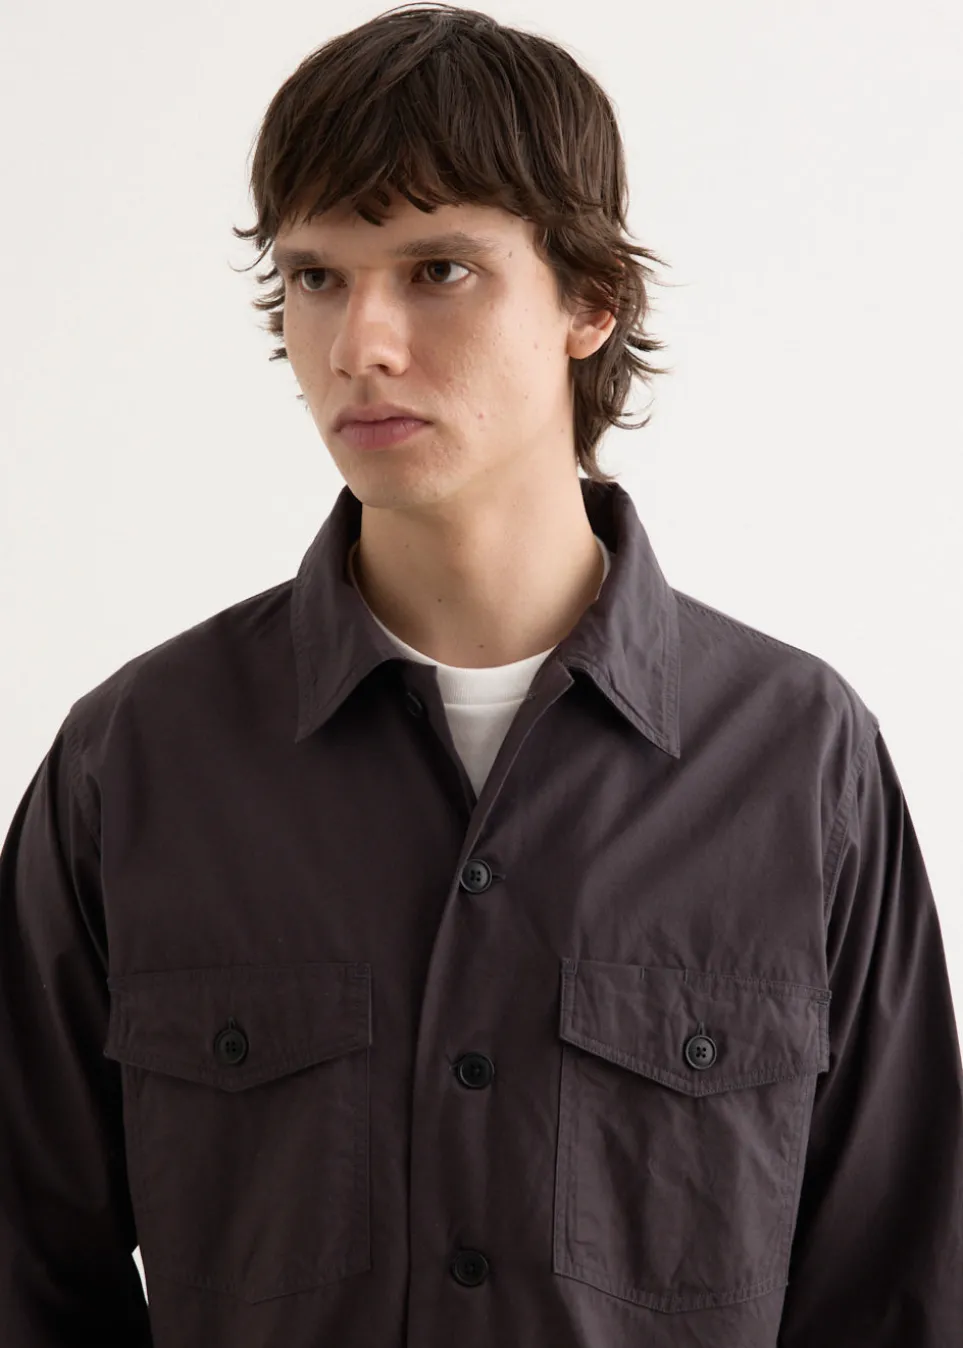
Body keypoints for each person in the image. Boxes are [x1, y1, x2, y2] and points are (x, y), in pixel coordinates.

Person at [1, 6, 960, 1346]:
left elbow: (896, 1290)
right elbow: (27, 1279)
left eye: (437, 269)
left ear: (589, 300)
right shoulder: (136, 762)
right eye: (316, 276)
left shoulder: (801, 761)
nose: (360, 344)